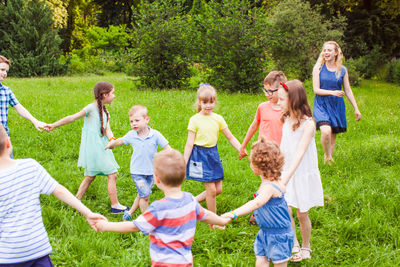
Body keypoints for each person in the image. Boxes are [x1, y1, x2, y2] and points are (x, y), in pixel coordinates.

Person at [95, 149, 230, 267]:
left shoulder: (158, 209)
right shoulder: (190, 200)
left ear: (157, 180)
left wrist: (105, 226)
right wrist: (221, 221)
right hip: (186, 262)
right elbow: (206, 215)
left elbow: (134, 226)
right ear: (184, 177)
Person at [0, 124, 106, 266]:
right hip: (37, 250)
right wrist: (87, 212)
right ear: (8, 143)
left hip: (7, 257)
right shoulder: (30, 167)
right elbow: (59, 190)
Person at [44, 81, 127, 214]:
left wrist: (112, 140)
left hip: (102, 146)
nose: (114, 96)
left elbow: (107, 130)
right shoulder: (90, 108)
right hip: (95, 148)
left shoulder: (105, 112)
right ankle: (115, 206)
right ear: (104, 95)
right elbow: (72, 118)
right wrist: (54, 125)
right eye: (113, 93)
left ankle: (76, 201)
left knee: (90, 176)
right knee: (112, 174)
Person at [223, 137, 294, 267]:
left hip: (279, 236)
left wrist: (233, 213)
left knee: (280, 264)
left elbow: (256, 203)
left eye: (251, 161)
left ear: (259, 167)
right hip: (265, 232)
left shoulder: (269, 188)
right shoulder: (271, 182)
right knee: (260, 261)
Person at [278, 80, 324, 262]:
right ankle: (294, 242)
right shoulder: (286, 119)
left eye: (282, 99)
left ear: (294, 100)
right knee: (286, 209)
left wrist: (287, 177)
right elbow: (284, 147)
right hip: (286, 170)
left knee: (301, 213)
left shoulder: (309, 125)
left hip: (301, 172)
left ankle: (306, 245)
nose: (279, 102)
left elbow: (299, 154)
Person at [183, 83, 242, 216]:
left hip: (213, 154)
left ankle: (191, 202)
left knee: (218, 189)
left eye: (211, 102)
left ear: (214, 101)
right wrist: (184, 160)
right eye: (205, 102)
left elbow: (230, 137)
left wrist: (240, 149)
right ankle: (213, 220)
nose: (208, 105)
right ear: (199, 102)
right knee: (211, 191)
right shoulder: (194, 120)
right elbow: (189, 143)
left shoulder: (218, 119)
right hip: (199, 156)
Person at [105, 105, 170, 221]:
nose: (133, 124)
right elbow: (120, 141)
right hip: (137, 172)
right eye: (131, 121)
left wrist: (174, 160)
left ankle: (129, 213)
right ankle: (147, 220)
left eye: (137, 120)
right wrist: (111, 144)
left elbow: (167, 148)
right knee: (145, 197)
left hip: (152, 172)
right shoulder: (131, 135)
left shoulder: (155, 135)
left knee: (142, 194)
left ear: (147, 119)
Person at [312, 41, 361, 164]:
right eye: (325, 50)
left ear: (336, 53)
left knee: (332, 137)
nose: (326, 52)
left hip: (336, 106)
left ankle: (328, 161)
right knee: (325, 131)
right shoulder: (318, 68)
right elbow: (316, 90)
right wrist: (332, 92)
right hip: (321, 104)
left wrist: (356, 108)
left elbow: (348, 90)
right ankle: (327, 156)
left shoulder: (342, 70)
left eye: (329, 50)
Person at [0, 55, 46, 157]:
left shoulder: (6, 91)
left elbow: (19, 107)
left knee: (8, 169)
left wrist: (35, 121)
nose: (4, 73)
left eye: (6, 71)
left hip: (3, 138)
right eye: (2, 69)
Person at [239, 71, 287, 160]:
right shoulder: (262, 107)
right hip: (263, 152)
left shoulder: (288, 110)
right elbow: (253, 126)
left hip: (281, 153)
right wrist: (243, 146)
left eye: (270, 91)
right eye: (265, 90)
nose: (266, 94)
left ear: (281, 89)